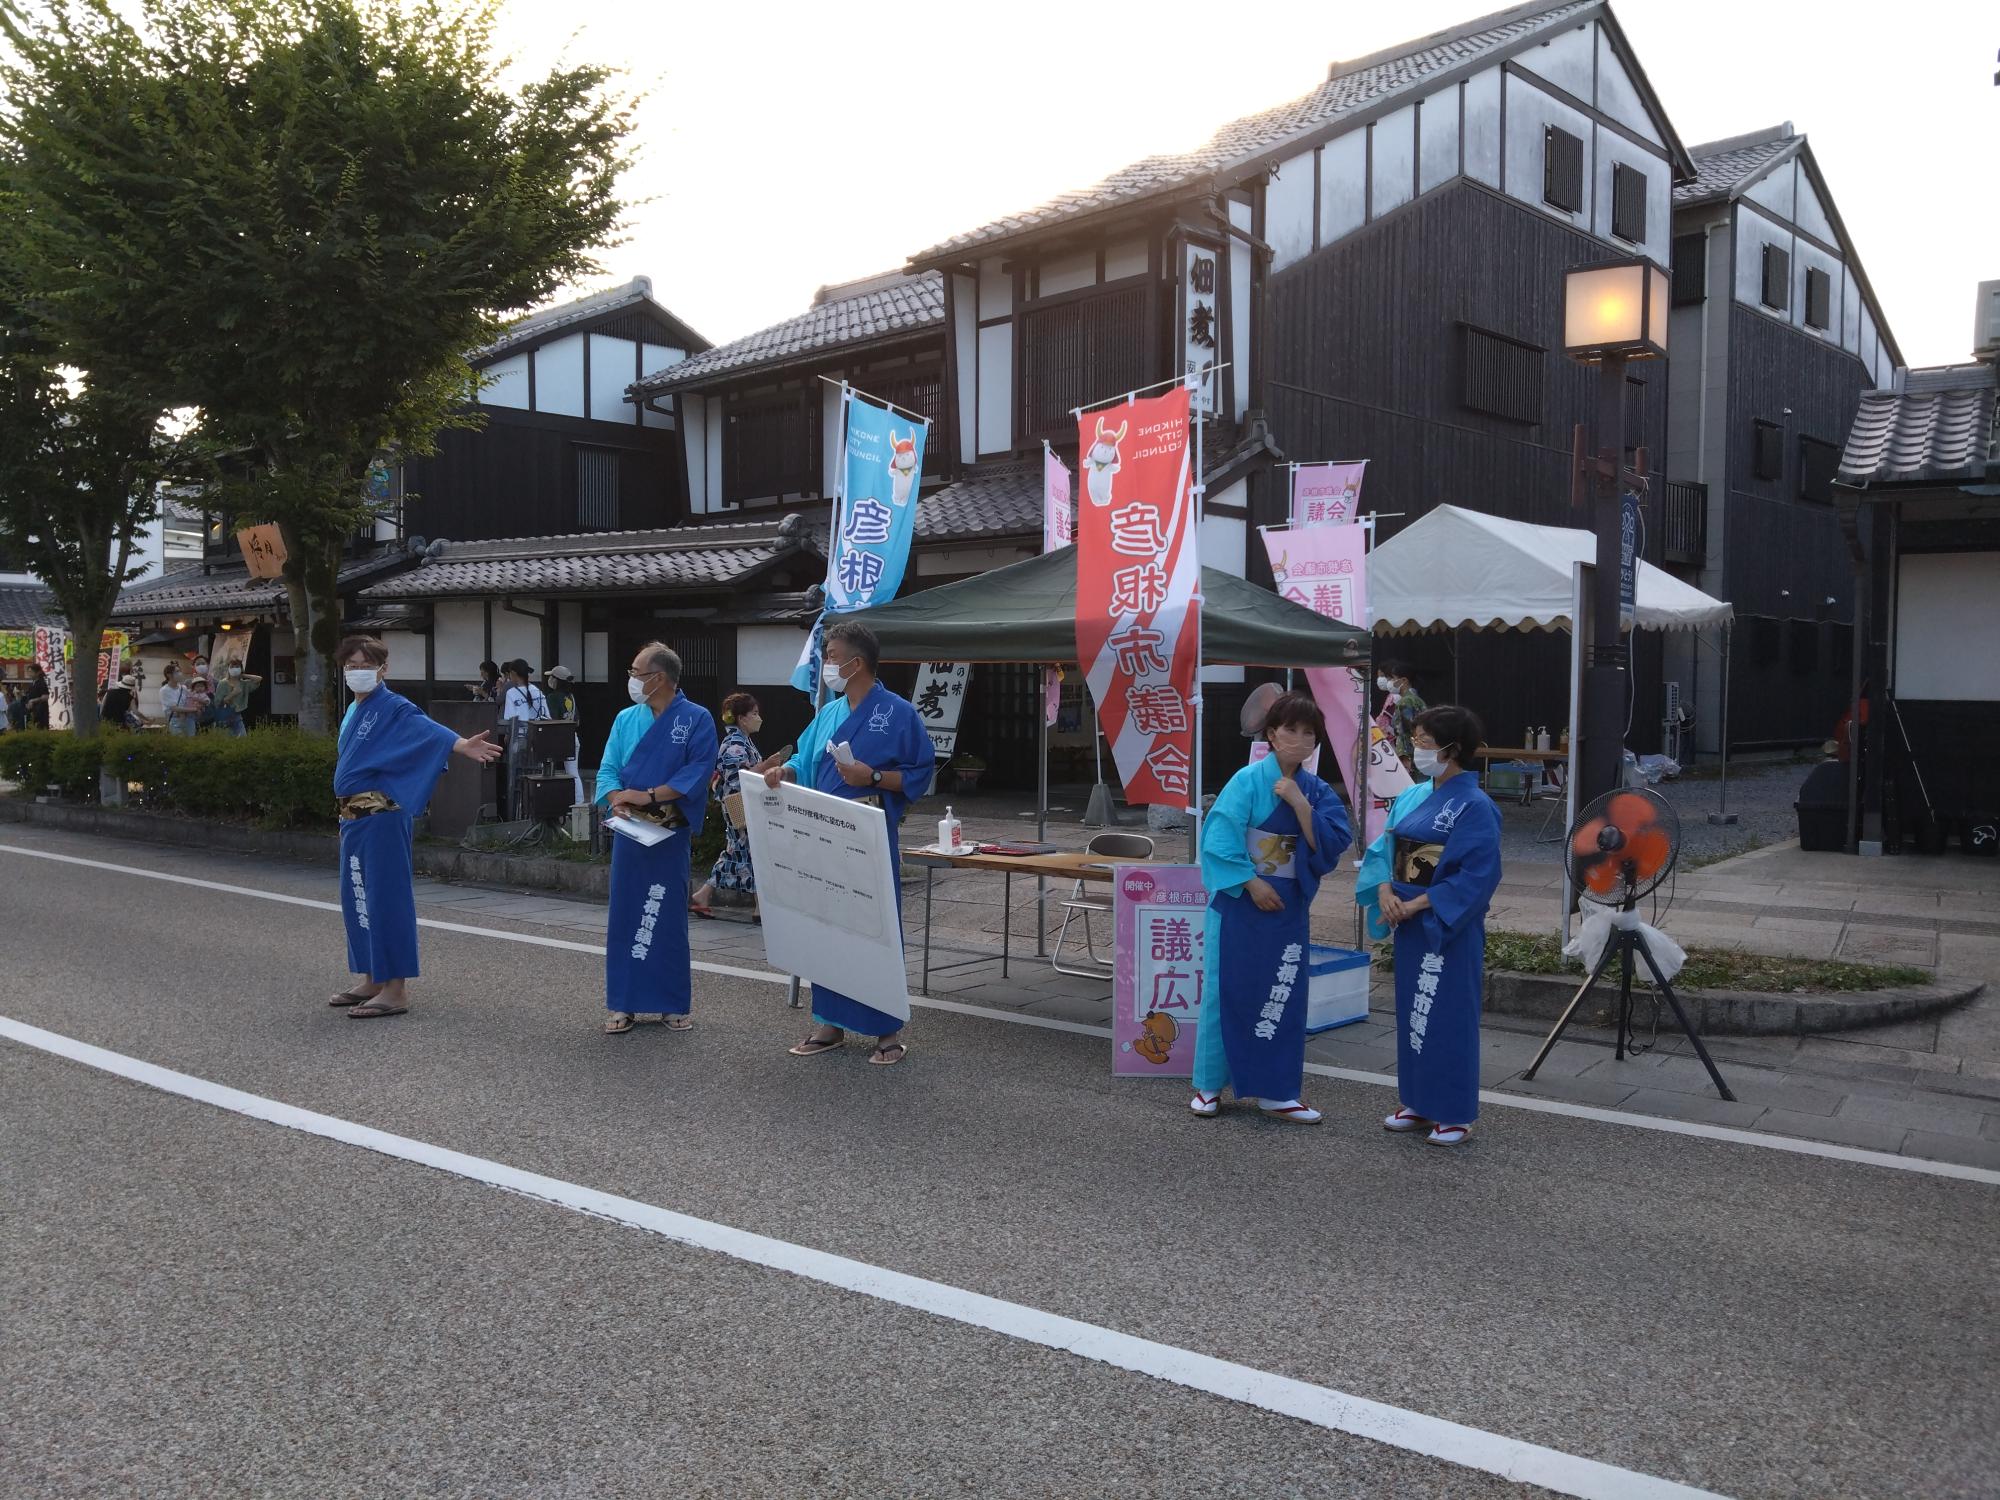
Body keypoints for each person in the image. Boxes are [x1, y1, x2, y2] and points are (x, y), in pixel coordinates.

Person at [762, 621, 935, 1065]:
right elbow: (804, 755)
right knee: (827, 925)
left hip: (867, 839)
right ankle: (830, 1023)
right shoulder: (830, 712)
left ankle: (887, 1030)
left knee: (875, 927)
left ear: (857, 663)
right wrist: (788, 771)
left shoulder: (897, 713)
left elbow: (920, 773)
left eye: (832, 654)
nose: (827, 662)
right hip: (821, 836)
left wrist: (872, 776)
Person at [1189, 692, 1353, 1122]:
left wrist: (1300, 804)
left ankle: (1277, 1090)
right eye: (1290, 730)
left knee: (1282, 994)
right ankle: (1209, 1085)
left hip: (1287, 906)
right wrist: (1250, 881)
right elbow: (1220, 837)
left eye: (1308, 732)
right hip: (1240, 902)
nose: (1299, 739)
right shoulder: (1246, 781)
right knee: (1227, 991)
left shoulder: (1316, 790)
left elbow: (1333, 842)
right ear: (1271, 734)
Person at [329, 636, 500, 1019]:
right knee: (357, 895)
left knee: (386, 898)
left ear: (383, 669)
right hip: (354, 819)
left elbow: (425, 728)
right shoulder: (357, 709)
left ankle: (396, 989)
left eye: (365, 665)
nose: (357, 672)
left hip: (382, 817)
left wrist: (459, 745)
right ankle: (373, 977)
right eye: (351, 666)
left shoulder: (393, 706)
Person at [1356, 705, 1502, 1147]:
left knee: (1449, 1015)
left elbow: (1476, 875)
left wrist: (1420, 901)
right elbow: (1385, 847)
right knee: (1414, 1013)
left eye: (1422, 741)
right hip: (1411, 921)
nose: (1415, 748)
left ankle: (1454, 1111)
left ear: (1451, 749)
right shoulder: (1417, 795)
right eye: (1415, 740)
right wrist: (1383, 888)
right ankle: (1418, 1100)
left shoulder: (1477, 806)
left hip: (1444, 925)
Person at [594, 642, 718, 1035]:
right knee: (627, 914)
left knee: (665, 916)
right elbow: (608, 769)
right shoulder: (626, 719)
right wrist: (615, 798)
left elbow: (699, 771)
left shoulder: (697, 719)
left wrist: (647, 796)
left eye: (635, 672)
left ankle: (671, 1003)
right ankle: (623, 1003)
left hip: (668, 833)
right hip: (630, 833)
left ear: (658, 678)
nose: (630, 679)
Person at [692, 691, 763, 918]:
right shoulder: (734, 744)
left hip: (741, 806)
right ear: (742, 718)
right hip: (739, 805)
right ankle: (760, 906)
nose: (758, 717)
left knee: (739, 852)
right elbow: (738, 778)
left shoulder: (741, 741)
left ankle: (703, 895)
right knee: (753, 852)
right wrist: (768, 765)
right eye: (754, 713)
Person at [543, 664, 583, 805]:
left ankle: (551, 802)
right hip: (572, 736)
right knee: (573, 773)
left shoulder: (552, 697)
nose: (550, 680)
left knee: (548, 772)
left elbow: (552, 720)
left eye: (551, 677)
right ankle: (579, 804)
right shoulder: (571, 697)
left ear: (556, 680)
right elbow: (577, 720)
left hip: (556, 738)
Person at [1377, 661, 1427, 767]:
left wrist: (1406, 757)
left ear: (1403, 680)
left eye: (1392, 678)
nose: (1389, 682)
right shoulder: (1415, 699)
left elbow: (1408, 731)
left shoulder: (1406, 701)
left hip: (1408, 753)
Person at [210, 661, 262, 736]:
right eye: (232, 667)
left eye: (237, 667)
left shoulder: (244, 684)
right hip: (224, 716)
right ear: (228, 669)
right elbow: (217, 702)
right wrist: (233, 694)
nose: (234, 669)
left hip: (237, 716)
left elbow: (259, 679)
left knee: (243, 739)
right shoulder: (223, 683)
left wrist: (243, 675)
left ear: (241, 669)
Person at [158, 663, 198, 737]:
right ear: (169, 675)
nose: (180, 673)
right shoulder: (164, 690)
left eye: (180, 671)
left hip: (188, 719)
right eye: (177, 671)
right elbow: (174, 708)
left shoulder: (183, 688)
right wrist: (194, 709)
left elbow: (189, 700)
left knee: (191, 744)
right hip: (175, 721)